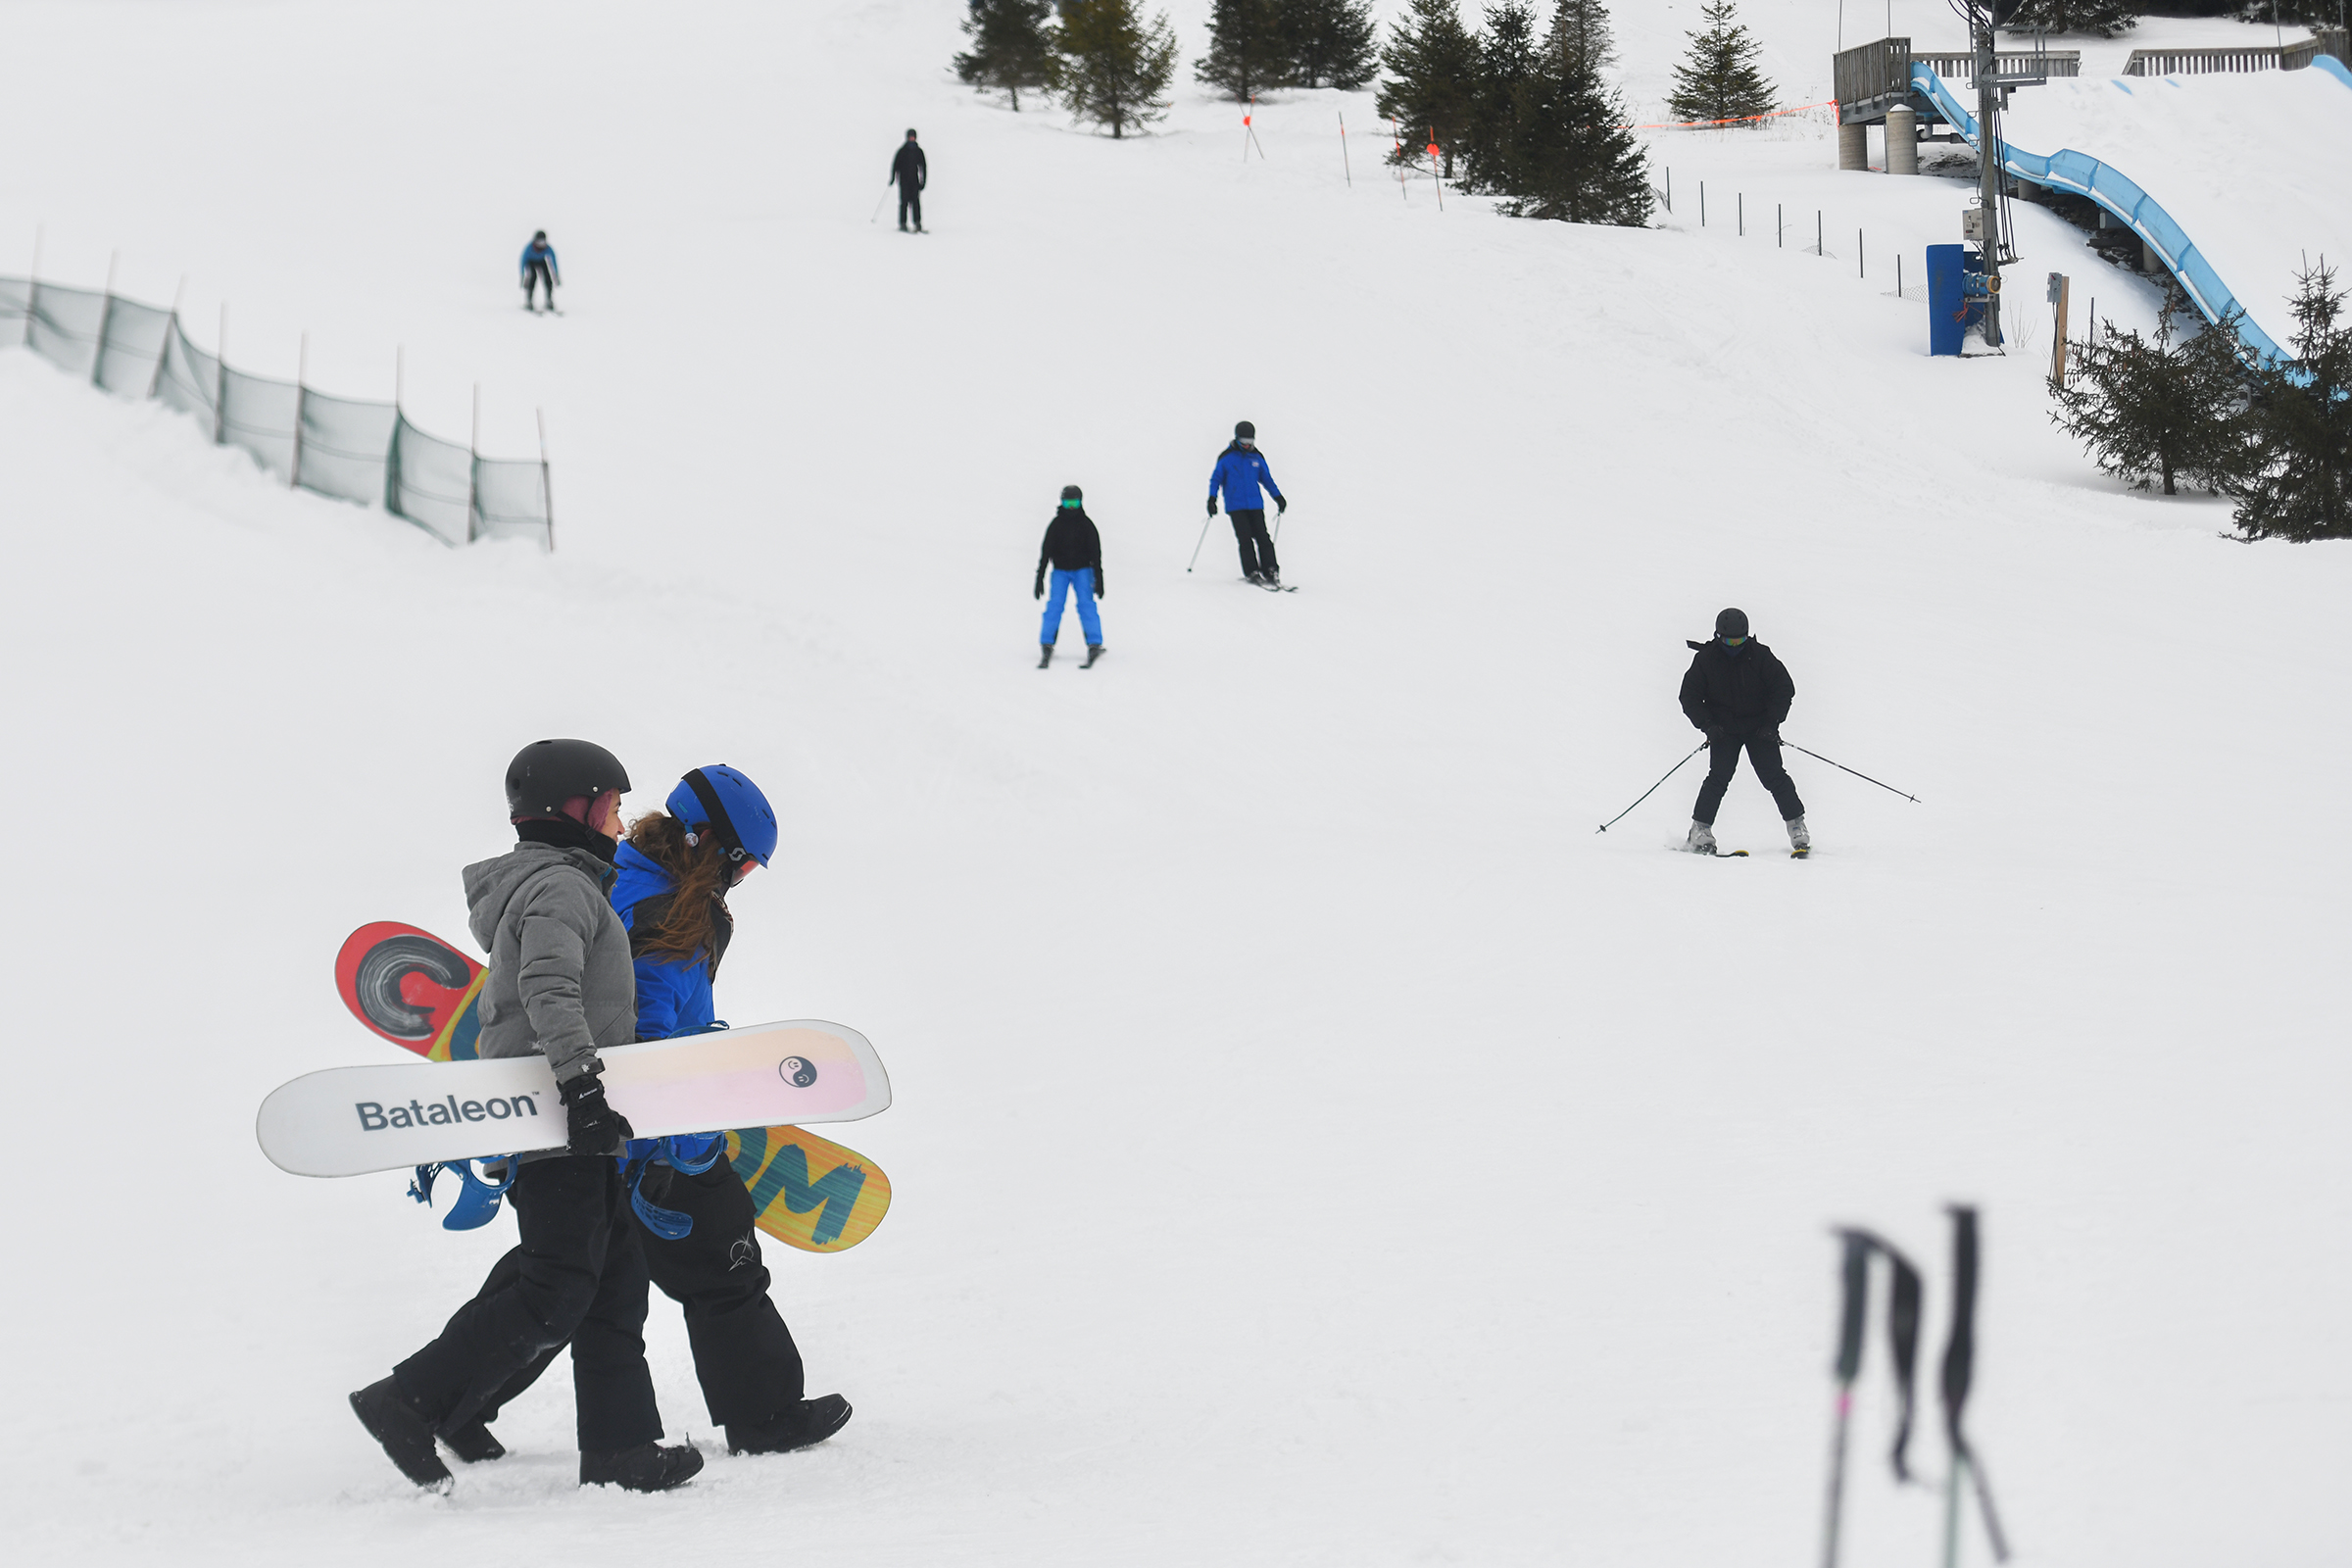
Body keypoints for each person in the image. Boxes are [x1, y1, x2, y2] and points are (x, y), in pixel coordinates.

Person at [453, 766, 856, 1459]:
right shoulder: (664, 911)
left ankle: (452, 1400)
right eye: (746, 863)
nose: (746, 878)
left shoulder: (636, 880)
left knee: (556, 1282)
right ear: (710, 847)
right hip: (652, 1134)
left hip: (618, 1133)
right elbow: (641, 1032)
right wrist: (686, 1125)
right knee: (721, 1267)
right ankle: (765, 1415)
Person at [349, 739, 703, 1493]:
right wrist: (581, 1088)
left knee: (611, 1283)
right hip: (560, 1113)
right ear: (572, 809)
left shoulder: (566, 883)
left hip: (574, 1114)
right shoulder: (560, 889)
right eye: (610, 805)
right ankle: (405, 1400)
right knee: (558, 1285)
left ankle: (621, 1450)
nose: (618, 821)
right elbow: (548, 986)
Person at [1678, 609, 1810, 856]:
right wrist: (1708, 725)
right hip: (1723, 730)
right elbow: (1689, 696)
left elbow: (1783, 688)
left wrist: (1772, 723)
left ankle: (1796, 825)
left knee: (1773, 776)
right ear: (1718, 637)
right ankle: (1700, 829)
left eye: (1739, 640)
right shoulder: (1706, 659)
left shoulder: (1760, 656)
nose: (1734, 645)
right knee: (1719, 777)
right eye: (1728, 641)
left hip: (1759, 729)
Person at [1206, 420, 1287, 587]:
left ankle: (1270, 569)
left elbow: (1267, 480)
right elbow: (1216, 479)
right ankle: (1252, 571)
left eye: (1250, 442)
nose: (1247, 445)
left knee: (1263, 537)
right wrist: (1212, 499)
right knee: (1245, 539)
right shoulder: (1226, 458)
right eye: (1244, 442)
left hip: (1255, 504)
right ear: (1237, 439)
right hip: (1236, 506)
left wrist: (1278, 497)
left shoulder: (1257, 457)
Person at [1034, 484, 1104, 668]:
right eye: (1067, 502)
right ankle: (1046, 642)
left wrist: (1099, 578)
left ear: (1080, 502)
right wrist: (1039, 577)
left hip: (1083, 571)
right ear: (1061, 502)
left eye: (1074, 502)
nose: (1071, 507)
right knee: (1054, 606)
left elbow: (1096, 554)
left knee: (1086, 606)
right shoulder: (1056, 525)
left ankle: (1094, 643)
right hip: (1060, 572)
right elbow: (1046, 551)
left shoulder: (1087, 525)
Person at [891, 129, 927, 233]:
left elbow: (923, 167)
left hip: (914, 181)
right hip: (904, 181)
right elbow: (895, 165)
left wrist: (923, 180)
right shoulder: (902, 151)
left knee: (916, 202)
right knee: (904, 202)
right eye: (910, 137)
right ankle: (902, 223)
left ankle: (917, 222)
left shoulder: (918, 151)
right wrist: (893, 177)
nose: (912, 138)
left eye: (913, 137)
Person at [520, 230, 561, 313]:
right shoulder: (529, 248)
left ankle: (549, 300)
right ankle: (529, 301)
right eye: (539, 241)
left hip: (541, 261)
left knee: (548, 279)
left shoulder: (548, 249)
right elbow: (523, 261)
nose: (541, 244)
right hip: (531, 261)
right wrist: (523, 275)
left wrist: (556, 275)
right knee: (533, 278)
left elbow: (553, 261)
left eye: (543, 241)